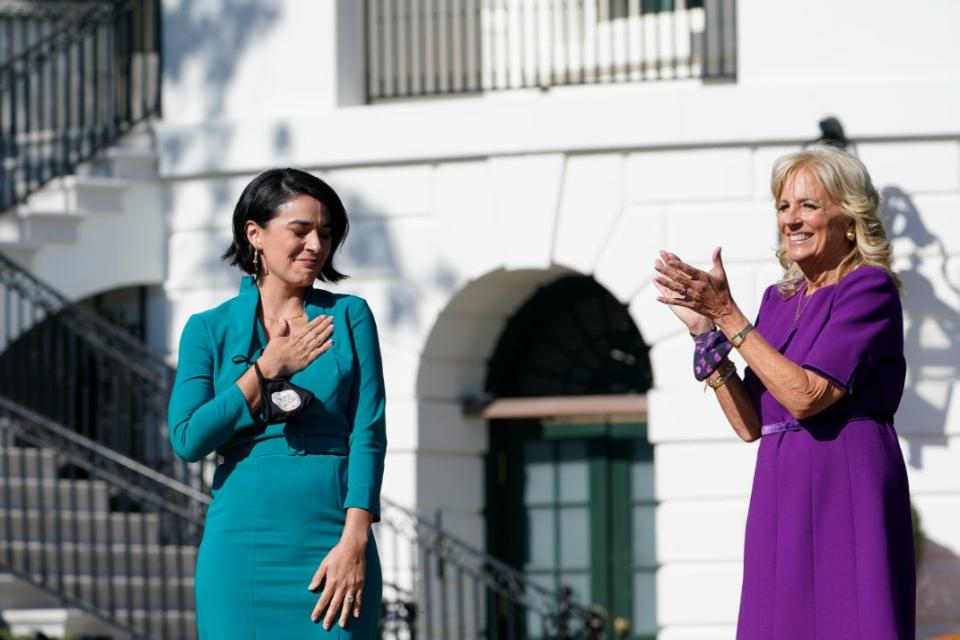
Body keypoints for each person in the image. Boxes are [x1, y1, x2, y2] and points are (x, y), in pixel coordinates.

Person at [654, 145, 915, 639]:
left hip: (847, 483)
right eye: (783, 206)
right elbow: (751, 424)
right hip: (782, 489)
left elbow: (808, 396)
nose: (792, 219)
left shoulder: (868, 288)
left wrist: (728, 315)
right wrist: (707, 335)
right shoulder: (778, 300)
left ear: (849, 217)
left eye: (809, 205)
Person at [167, 168, 386, 638]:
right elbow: (188, 439)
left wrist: (355, 541)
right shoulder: (208, 329)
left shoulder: (349, 317)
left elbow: (368, 434)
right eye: (300, 231)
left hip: (333, 541)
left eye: (326, 234)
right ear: (255, 234)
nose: (315, 246)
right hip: (240, 549)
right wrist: (267, 368)